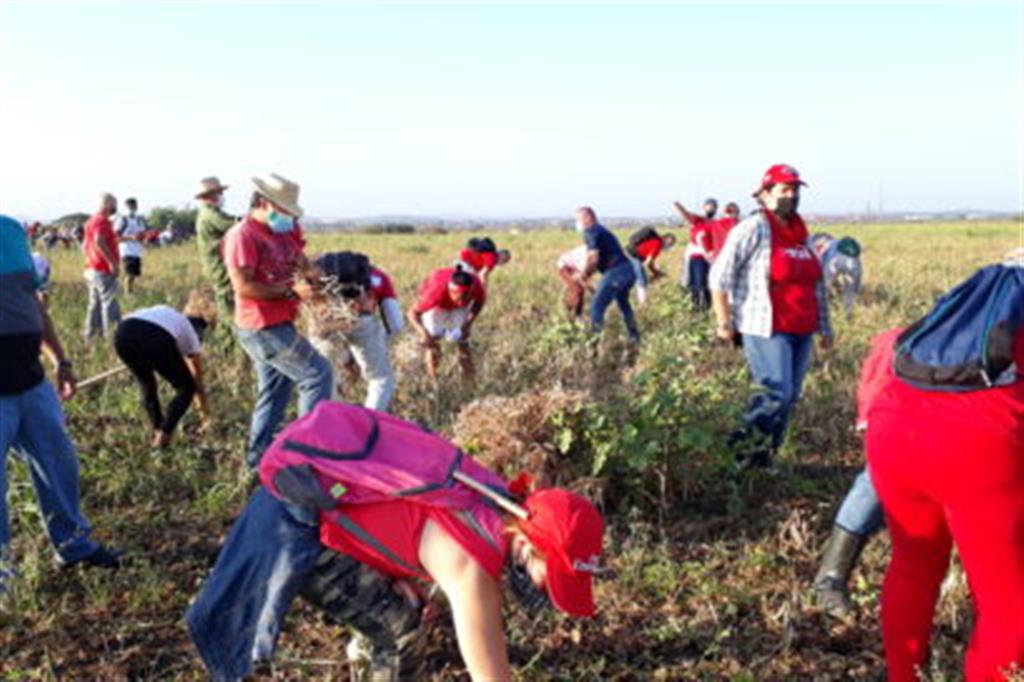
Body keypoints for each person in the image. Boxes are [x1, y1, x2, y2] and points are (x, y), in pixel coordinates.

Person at [187, 402, 606, 681]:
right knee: (400, 632)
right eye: (549, 576)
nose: (546, 589)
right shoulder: (472, 565)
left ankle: (364, 655)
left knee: (405, 605)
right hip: (297, 517)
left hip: (317, 497)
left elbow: (404, 516)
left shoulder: (495, 501)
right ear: (531, 546)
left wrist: (394, 573)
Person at [1, 214, 123, 594]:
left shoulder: (12, 232)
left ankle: (72, 545)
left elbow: (34, 303)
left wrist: (61, 360)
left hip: (31, 381)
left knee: (59, 463)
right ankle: (3, 573)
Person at [709, 164, 832, 469]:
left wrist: (825, 327)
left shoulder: (801, 233)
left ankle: (763, 459)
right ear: (765, 195)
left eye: (794, 190)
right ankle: (738, 456)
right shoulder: (755, 228)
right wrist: (724, 322)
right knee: (775, 394)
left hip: (802, 329)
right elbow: (719, 275)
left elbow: (816, 283)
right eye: (783, 190)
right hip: (766, 327)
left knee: (789, 399)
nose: (790, 196)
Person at [224, 174, 333, 469]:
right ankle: (304, 458)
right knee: (317, 375)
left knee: (274, 392)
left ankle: (257, 462)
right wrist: (290, 290)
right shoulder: (243, 236)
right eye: (285, 211)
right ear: (264, 203)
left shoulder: (280, 232)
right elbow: (243, 288)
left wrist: (313, 276)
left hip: (281, 322)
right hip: (260, 327)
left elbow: (299, 260)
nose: (289, 219)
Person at [113, 291, 216, 448]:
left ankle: (157, 430)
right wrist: (205, 414)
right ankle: (164, 436)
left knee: (147, 384)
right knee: (186, 388)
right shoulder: (190, 331)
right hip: (154, 335)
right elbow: (196, 379)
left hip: (123, 332)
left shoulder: (165, 312)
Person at [307, 252, 402, 412]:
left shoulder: (316, 273)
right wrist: (380, 343)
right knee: (380, 378)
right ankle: (370, 421)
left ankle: (329, 420)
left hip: (324, 322)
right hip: (361, 320)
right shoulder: (380, 278)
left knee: (325, 378)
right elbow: (395, 324)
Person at [408, 266, 486, 383]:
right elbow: (412, 313)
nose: (461, 302)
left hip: (453, 303)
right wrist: (423, 333)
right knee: (432, 341)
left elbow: (479, 303)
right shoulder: (434, 293)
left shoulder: (476, 286)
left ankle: (469, 383)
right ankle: (434, 381)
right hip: (438, 306)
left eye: (466, 298)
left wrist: (468, 324)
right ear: (451, 291)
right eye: (459, 298)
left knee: (463, 341)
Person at [576, 206, 640, 344]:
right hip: (629, 271)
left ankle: (594, 344)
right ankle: (634, 337)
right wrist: (589, 273)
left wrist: (584, 274)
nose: (578, 223)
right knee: (623, 303)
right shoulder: (601, 229)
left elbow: (593, 258)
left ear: (588, 218)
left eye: (579, 219)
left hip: (616, 272)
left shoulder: (590, 231)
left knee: (596, 306)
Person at [194, 177, 238, 344]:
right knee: (228, 312)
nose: (221, 196)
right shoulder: (210, 214)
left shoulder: (211, 212)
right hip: (219, 268)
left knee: (227, 308)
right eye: (218, 192)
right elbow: (234, 225)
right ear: (210, 195)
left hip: (217, 266)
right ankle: (226, 347)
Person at [82, 192, 122, 339]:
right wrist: (112, 262)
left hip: (91, 268)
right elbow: (99, 241)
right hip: (103, 268)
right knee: (109, 303)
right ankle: (113, 336)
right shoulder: (102, 221)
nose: (115, 208)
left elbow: (85, 245)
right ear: (107, 205)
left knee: (95, 305)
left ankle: (91, 335)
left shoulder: (90, 221)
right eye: (114, 204)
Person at [673, 197, 717, 310]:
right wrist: (679, 207)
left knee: (707, 283)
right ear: (704, 207)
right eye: (709, 206)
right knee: (695, 284)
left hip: (710, 257)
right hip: (696, 257)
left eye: (713, 206)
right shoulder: (698, 220)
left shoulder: (716, 223)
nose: (711, 208)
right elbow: (686, 214)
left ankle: (708, 306)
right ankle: (695, 307)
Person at [811, 232, 863, 316]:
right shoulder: (832, 245)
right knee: (848, 290)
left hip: (833, 262)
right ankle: (846, 313)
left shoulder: (822, 248)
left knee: (825, 287)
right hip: (845, 263)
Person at [114, 197, 148, 294]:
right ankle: (128, 294)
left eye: (134, 206)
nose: (132, 208)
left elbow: (142, 233)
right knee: (129, 274)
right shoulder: (122, 220)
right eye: (130, 206)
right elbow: (116, 237)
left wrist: (141, 238)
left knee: (134, 275)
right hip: (126, 250)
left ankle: (130, 292)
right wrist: (130, 238)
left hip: (136, 251)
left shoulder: (139, 220)